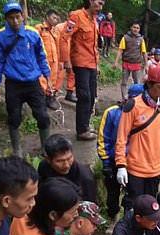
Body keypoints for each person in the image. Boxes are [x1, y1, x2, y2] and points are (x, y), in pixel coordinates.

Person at [0, 2, 52, 157]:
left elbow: (41, 56)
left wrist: (48, 77)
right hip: (13, 84)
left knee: (43, 116)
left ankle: (46, 148)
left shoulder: (32, 34)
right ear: (6, 19)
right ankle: (17, 150)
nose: (15, 21)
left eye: (18, 17)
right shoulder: (0, 36)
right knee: (14, 117)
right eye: (11, 18)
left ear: (22, 16)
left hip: (33, 83)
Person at [115, 64, 160, 211]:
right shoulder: (133, 105)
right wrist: (121, 165)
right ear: (149, 84)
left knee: (150, 206)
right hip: (136, 167)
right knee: (133, 205)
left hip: (156, 168)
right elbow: (121, 138)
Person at [38, 134, 97, 235]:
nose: (66, 165)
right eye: (60, 161)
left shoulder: (85, 177)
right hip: (54, 224)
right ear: (48, 159)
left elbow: (89, 216)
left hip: (78, 228)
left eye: (69, 158)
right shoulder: (44, 169)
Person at [97, 84, 144, 225]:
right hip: (114, 161)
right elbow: (103, 138)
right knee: (113, 193)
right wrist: (106, 162)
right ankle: (114, 217)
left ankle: (128, 221)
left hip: (134, 163)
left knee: (133, 194)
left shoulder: (145, 115)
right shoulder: (112, 113)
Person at [59, 0, 104, 141]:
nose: (101, 6)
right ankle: (81, 131)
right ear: (90, 1)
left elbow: (94, 46)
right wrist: (66, 60)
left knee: (91, 97)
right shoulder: (76, 16)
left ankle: (85, 125)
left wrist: (98, 65)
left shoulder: (95, 20)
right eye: (99, 2)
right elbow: (64, 38)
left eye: (103, 4)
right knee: (84, 96)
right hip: (80, 63)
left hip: (91, 64)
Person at [35, 9, 62, 110]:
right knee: (42, 80)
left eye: (57, 18)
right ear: (47, 17)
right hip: (43, 60)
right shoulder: (39, 28)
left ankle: (50, 98)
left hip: (54, 60)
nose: (56, 20)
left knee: (53, 80)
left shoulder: (55, 31)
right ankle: (41, 100)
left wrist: (59, 60)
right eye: (54, 18)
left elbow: (57, 45)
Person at [114, 21, 148, 101]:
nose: (135, 29)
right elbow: (120, 50)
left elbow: (144, 52)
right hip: (126, 63)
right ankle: (124, 98)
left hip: (137, 63)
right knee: (124, 82)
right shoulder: (125, 37)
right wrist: (116, 62)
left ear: (139, 29)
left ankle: (136, 99)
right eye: (134, 27)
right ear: (131, 28)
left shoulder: (141, 39)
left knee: (137, 83)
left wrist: (146, 65)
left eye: (137, 28)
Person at [55, 14, 77, 103]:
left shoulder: (75, 28)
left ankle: (69, 92)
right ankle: (53, 93)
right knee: (58, 74)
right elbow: (59, 43)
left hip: (70, 54)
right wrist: (64, 59)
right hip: (59, 54)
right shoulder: (59, 28)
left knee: (72, 73)